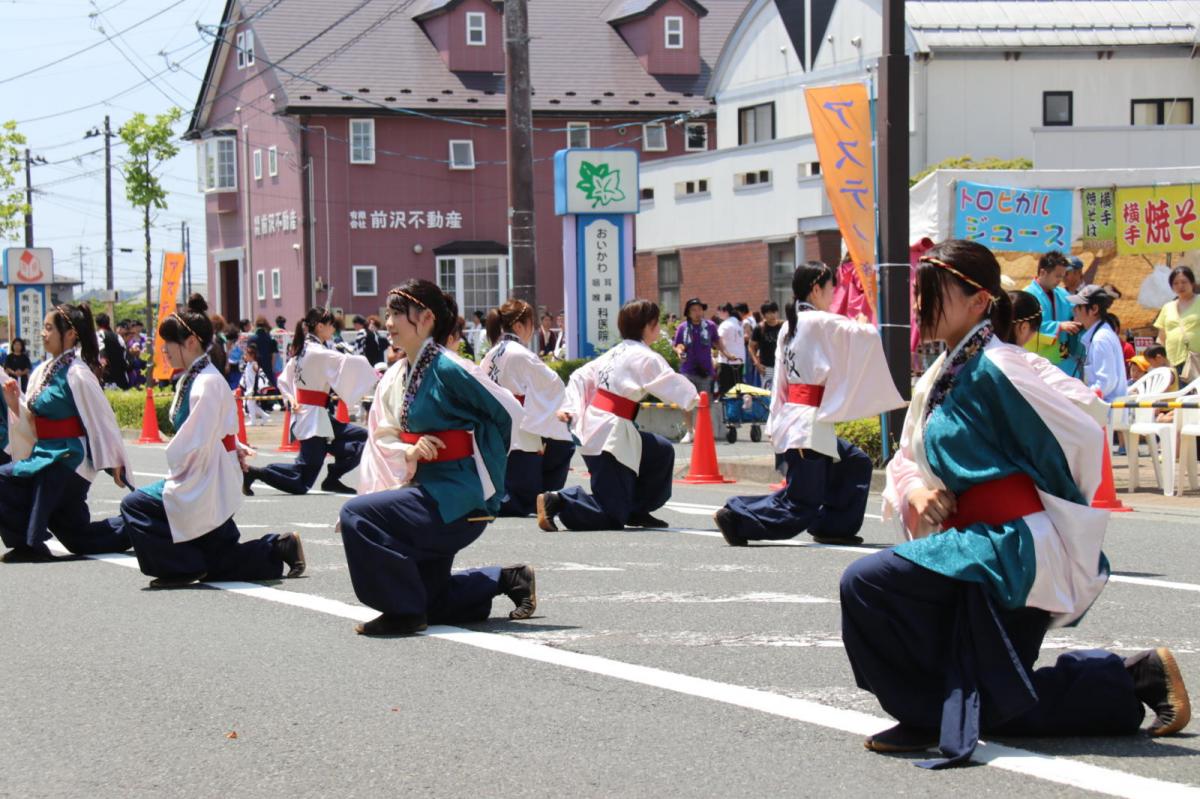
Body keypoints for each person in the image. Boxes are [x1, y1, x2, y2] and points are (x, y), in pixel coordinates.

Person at [840, 239, 1190, 769]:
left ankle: (936, 711)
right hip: (969, 545)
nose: (919, 303)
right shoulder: (942, 374)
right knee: (995, 704)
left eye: (932, 292)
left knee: (869, 583)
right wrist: (916, 491)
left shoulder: (1003, 367)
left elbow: (1082, 422)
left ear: (979, 301)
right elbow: (907, 454)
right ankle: (1132, 676)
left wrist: (1056, 511)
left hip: (1011, 546)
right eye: (918, 292)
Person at [340, 280, 536, 636]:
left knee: (356, 515)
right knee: (431, 600)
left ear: (427, 318)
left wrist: (485, 478)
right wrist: (409, 450)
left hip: (454, 497)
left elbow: (508, 412)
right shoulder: (401, 373)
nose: (388, 322)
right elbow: (384, 433)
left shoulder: (449, 368)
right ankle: (504, 579)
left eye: (397, 314)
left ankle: (403, 613)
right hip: (426, 491)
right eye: (388, 314)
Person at [91, 295, 305, 589]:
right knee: (219, 557)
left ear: (190, 341)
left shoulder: (204, 380)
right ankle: (278, 548)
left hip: (205, 474)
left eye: (169, 343)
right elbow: (213, 429)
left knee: (135, 505)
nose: (164, 350)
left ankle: (182, 567)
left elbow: (198, 438)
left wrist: (202, 459)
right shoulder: (196, 377)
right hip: (206, 470)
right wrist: (231, 447)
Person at [714, 262, 904, 547]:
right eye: (830, 288)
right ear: (816, 289)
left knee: (854, 463)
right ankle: (737, 517)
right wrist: (863, 322)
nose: (833, 294)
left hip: (800, 418)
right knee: (801, 504)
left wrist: (775, 421)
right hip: (809, 425)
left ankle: (834, 526)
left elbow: (780, 379)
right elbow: (866, 336)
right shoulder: (821, 322)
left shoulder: (790, 325)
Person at [537, 300, 699, 532]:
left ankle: (636, 508)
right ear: (648, 326)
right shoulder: (645, 356)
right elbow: (669, 381)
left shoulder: (615, 352)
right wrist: (695, 398)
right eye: (656, 323)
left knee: (660, 451)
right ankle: (560, 501)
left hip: (604, 428)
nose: (658, 328)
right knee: (611, 515)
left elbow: (579, 376)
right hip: (610, 435)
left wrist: (571, 408)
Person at [0, 303, 131, 562]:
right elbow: (33, 418)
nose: (43, 333)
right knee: (78, 538)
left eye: (49, 328)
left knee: (29, 479)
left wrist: (116, 461)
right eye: (44, 328)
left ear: (70, 334)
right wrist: (15, 403)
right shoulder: (43, 370)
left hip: (70, 458)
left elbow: (102, 419)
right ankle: (141, 525)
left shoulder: (79, 373)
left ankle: (31, 545)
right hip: (45, 454)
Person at [242, 307, 378, 496]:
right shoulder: (316, 352)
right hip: (312, 418)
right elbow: (351, 363)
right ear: (320, 326)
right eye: (331, 325)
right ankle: (256, 473)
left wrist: (291, 397)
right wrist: (373, 372)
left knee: (364, 438)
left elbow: (285, 379)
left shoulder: (305, 350)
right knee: (302, 480)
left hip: (317, 416)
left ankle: (332, 478)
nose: (333, 329)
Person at [479, 299, 575, 517]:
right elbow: (553, 385)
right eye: (532, 324)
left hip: (495, 432)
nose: (533, 329)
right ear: (519, 326)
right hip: (519, 433)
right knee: (562, 442)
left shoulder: (491, 354)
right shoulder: (520, 354)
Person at [673, 297, 728, 444]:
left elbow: (717, 341)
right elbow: (678, 344)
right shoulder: (683, 327)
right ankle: (689, 431)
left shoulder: (710, 326)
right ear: (688, 313)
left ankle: (701, 431)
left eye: (699, 309)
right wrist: (679, 352)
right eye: (693, 310)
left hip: (705, 371)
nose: (697, 312)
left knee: (704, 404)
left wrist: (726, 354)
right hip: (687, 370)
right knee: (687, 402)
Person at [1023, 250, 1083, 378]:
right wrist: (1059, 326)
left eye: (1062, 276)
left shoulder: (1062, 293)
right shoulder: (1026, 295)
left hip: (1063, 357)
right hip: (1037, 360)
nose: (1060, 280)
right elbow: (1026, 326)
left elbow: (1076, 311)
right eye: (1057, 276)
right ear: (1042, 272)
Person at [1070, 285, 1126, 403]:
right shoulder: (1102, 334)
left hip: (1105, 410)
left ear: (1094, 309)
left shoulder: (1100, 339)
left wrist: (1082, 398)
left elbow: (1106, 382)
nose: (1074, 310)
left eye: (1079, 306)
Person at [1154, 266, 1200, 377]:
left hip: (1196, 359)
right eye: (1176, 283)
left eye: (1184, 282)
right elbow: (1162, 336)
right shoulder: (1167, 307)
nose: (1180, 286)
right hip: (1173, 361)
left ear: (1192, 283)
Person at [749, 302, 783, 391]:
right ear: (764, 315)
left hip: (782, 365)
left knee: (782, 392)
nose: (772, 315)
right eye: (769, 313)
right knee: (768, 392)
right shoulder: (759, 328)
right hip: (767, 367)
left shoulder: (783, 326)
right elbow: (751, 346)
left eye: (774, 312)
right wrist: (757, 363)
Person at [715, 303, 747, 398]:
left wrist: (723, 353)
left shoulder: (725, 324)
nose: (718, 314)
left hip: (727, 361)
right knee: (737, 390)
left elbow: (717, 339)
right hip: (740, 360)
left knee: (726, 391)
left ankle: (728, 407)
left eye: (719, 311)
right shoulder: (738, 323)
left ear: (725, 311)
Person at [239, 342, 272, 426]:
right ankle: (265, 416)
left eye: (246, 355)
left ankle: (253, 421)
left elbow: (258, 370)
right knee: (251, 404)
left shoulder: (254, 363)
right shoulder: (248, 364)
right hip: (249, 388)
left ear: (252, 355)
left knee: (250, 404)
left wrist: (257, 369)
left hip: (253, 388)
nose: (245, 356)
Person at [95, 312, 129, 389]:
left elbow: (102, 360)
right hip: (122, 379)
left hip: (108, 381)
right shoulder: (118, 337)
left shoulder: (99, 335)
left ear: (97, 324)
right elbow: (124, 356)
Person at [251, 316, 278, 387]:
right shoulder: (271, 340)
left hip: (255, 369)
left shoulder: (252, 339)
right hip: (268, 368)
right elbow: (274, 356)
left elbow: (249, 355)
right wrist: (271, 368)